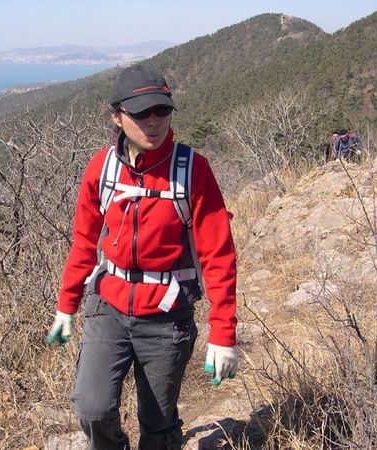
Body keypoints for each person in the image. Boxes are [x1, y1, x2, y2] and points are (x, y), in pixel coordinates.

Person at [46, 63, 238, 450]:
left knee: (158, 423)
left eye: (161, 110)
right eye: (140, 113)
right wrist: (66, 305)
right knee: (93, 409)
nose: (153, 121)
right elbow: (84, 241)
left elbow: (218, 254)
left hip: (167, 315)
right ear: (117, 117)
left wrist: (223, 333)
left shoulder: (192, 170)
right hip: (109, 305)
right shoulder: (102, 169)